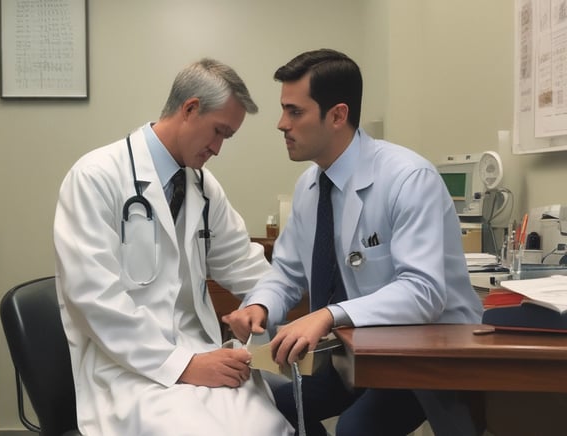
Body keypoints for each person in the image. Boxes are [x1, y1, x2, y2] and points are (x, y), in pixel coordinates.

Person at [224, 49, 484, 436]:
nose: (281, 124)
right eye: (283, 110)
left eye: (295, 112)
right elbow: (288, 274)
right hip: (352, 354)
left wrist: (329, 314)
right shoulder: (311, 186)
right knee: (268, 411)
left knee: (355, 430)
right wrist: (260, 305)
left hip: (423, 352)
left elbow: (424, 292)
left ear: (337, 115)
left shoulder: (409, 178)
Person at [53, 58, 294, 436]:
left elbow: (243, 264)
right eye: (218, 132)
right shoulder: (96, 176)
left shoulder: (202, 186)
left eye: (226, 137)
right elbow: (92, 296)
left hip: (202, 354)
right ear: (190, 109)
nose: (218, 148)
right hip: (129, 367)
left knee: (269, 427)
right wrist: (182, 365)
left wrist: (261, 303)